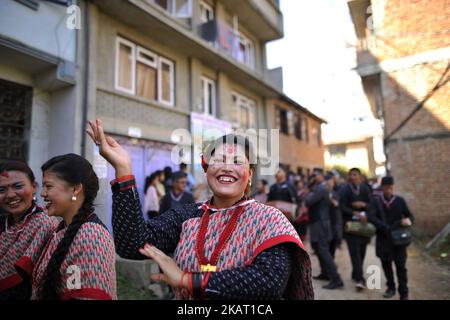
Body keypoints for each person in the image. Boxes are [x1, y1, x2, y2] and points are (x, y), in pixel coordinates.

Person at [87, 119, 313, 299]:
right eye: (219, 160)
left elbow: (269, 282)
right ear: (206, 169)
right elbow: (132, 245)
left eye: (237, 162)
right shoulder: (187, 215)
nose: (226, 167)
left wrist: (186, 280)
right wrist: (124, 169)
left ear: (250, 174)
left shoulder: (269, 220)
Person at [18, 153, 117, 300]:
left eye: (48, 186)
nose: (43, 194)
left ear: (76, 189)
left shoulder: (91, 235)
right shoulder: (60, 229)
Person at [0, 161, 55, 300]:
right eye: (1, 190)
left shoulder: (46, 224)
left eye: (18, 186)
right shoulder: (3, 222)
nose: (10, 195)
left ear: (34, 187)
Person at [368, 176, 414, 300]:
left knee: (401, 269)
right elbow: (371, 217)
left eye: (391, 188)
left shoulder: (400, 201)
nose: (388, 190)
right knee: (386, 266)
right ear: (382, 187)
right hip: (383, 240)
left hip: (398, 241)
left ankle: (404, 294)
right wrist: (385, 227)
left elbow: (410, 216)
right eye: (386, 188)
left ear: (393, 187)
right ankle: (391, 287)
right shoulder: (376, 202)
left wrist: (408, 221)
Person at [305, 169, 343, 290]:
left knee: (322, 249)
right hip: (317, 222)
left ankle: (336, 279)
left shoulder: (321, 188)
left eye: (315, 175)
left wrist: (309, 192)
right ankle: (325, 273)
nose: (313, 177)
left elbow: (308, 201)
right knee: (317, 248)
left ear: (321, 176)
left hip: (321, 223)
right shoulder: (318, 187)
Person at [338, 167, 373, 290]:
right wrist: (354, 211)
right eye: (351, 175)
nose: (352, 177)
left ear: (360, 176)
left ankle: (355, 273)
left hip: (363, 226)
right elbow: (342, 206)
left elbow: (372, 204)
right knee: (355, 253)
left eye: (355, 174)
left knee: (362, 252)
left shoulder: (365, 188)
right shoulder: (345, 189)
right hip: (350, 226)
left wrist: (364, 205)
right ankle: (360, 279)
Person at [326, 173, 343, 259]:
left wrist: (333, 202)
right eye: (328, 184)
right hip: (326, 221)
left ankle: (331, 259)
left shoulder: (335, 193)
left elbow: (338, 204)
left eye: (331, 183)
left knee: (332, 241)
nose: (330, 185)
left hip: (333, 220)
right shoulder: (323, 193)